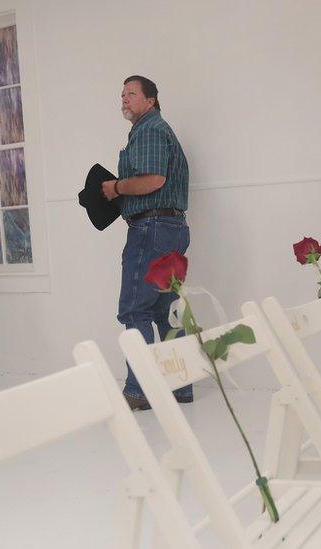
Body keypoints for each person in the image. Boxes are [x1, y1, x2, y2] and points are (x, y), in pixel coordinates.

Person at [102, 75, 191, 410]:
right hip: (171, 227)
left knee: (135, 308)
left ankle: (138, 391)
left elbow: (154, 179)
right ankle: (180, 386)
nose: (124, 98)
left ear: (150, 100)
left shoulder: (150, 129)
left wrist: (117, 188)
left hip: (152, 227)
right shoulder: (153, 129)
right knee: (166, 309)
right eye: (122, 93)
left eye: (132, 93)